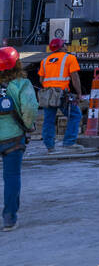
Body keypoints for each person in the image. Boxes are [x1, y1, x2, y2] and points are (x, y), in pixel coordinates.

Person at [0, 47, 36, 231]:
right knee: (11, 176)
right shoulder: (22, 84)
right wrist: (28, 126)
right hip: (13, 138)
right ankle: (9, 218)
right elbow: (29, 108)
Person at [37, 38, 82, 152]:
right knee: (75, 115)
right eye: (65, 44)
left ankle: (49, 146)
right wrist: (79, 93)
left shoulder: (45, 60)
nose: (66, 46)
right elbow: (75, 78)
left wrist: (50, 87)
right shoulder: (69, 58)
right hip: (62, 94)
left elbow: (41, 80)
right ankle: (69, 142)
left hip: (48, 94)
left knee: (49, 120)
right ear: (62, 46)